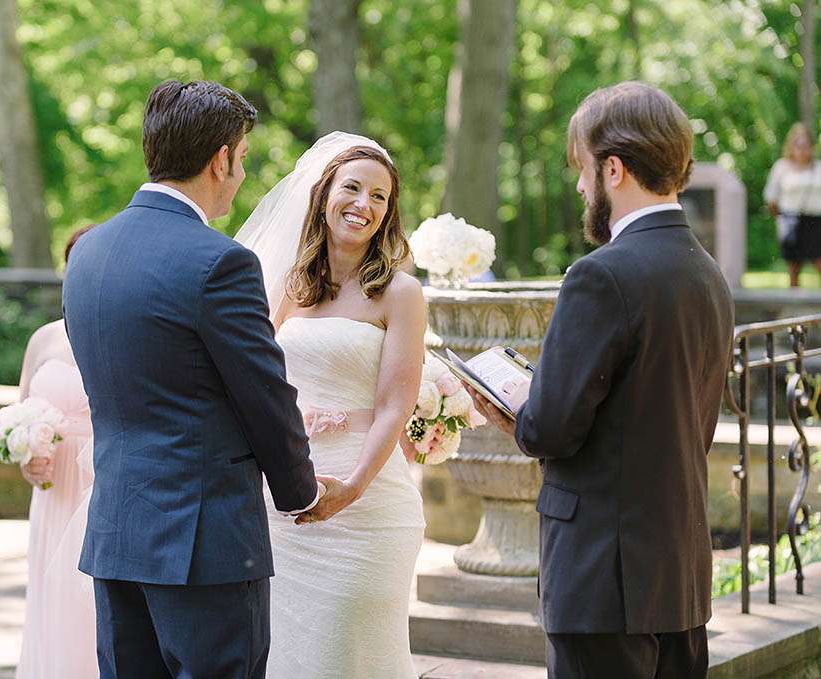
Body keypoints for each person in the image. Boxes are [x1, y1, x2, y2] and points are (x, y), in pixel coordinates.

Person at [467, 82, 734, 679]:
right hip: (679, 576)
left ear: (613, 168)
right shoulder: (708, 273)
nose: (582, 185)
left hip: (600, 579)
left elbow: (551, 428)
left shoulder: (600, 276)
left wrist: (511, 409)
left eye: (583, 170)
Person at [62, 80, 324, 679]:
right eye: (243, 160)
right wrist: (301, 492)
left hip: (117, 533)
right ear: (221, 159)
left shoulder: (88, 255)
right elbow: (264, 394)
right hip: (206, 547)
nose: (240, 175)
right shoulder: (220, 262)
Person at [236, 133, 427, 678]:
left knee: (349, 652)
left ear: (389, 214)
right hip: (287, 503)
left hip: (368, 505)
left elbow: (395, 405)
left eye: (380, 197)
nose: (363, 205)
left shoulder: (400, 293)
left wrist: (352, 489)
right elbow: (256, 385)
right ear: (323, 195)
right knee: (287, 654)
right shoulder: (287, 287)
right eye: (352, 188)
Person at [15, 225, 96, 679]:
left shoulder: (118, 334)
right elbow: (19, 410)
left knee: (87, 601)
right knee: (49, 596)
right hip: (50, 489)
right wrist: (27, 457)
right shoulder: (43, 338)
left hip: (95, 484)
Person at [764, 122, 821, 287]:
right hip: (791, 221)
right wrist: (781, 219)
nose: (802, 149)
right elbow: (771, 197)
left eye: (805, 145)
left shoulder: (818, 168)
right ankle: (794, 305)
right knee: (794, 268)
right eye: (798, 144)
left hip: (816, 222)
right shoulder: (781, 167)